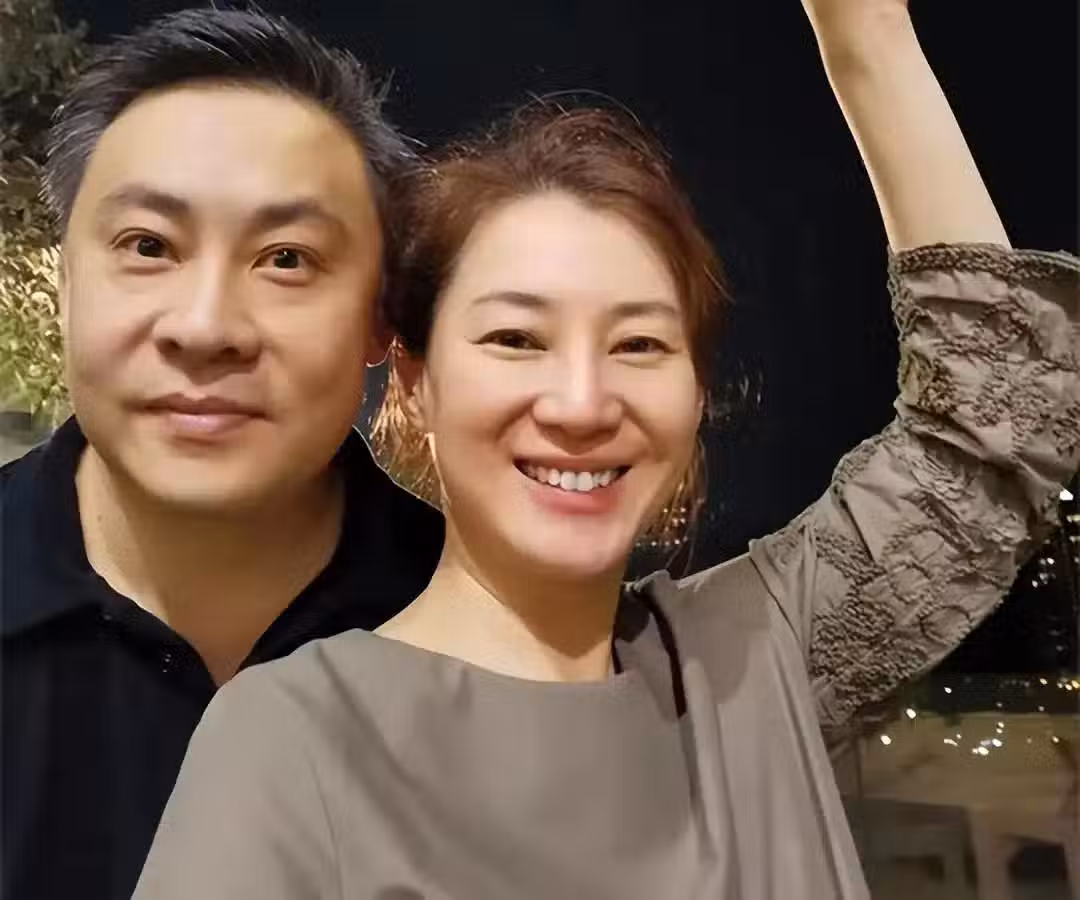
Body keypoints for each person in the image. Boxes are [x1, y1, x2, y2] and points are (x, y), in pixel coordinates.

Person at [134, 1, 1080, 898]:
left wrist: (865, 34)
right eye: (516, 339)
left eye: (639, 344)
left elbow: (996, 418)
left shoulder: (757, 655)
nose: (582, 403)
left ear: (696, 393)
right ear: (415, 381)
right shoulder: (295, 741)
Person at [0, 9, 444, 900]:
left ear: (380, 317)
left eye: (286, 259)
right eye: (148, 246)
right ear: (67, 286)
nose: (205, 329)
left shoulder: (485, 639)